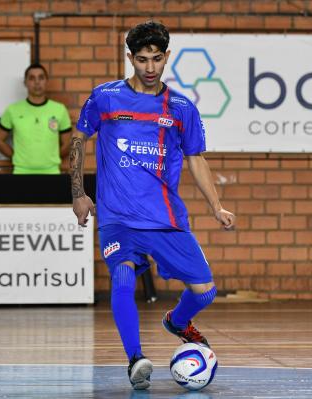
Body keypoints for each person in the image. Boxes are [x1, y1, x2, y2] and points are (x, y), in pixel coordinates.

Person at [69, 21, 235, 390]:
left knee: (204, 290)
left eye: (156, 59)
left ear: (166, 58)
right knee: (123, 276)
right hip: (118, 218)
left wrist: (216, 206)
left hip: (165, 217)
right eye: (141, 59)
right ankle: (135, 359)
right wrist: (78, 193)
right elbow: (78, 140)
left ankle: (177, 322)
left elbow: (196, 159)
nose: (149, 67)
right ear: (130, 58)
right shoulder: (105, 97)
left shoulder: (180, 108)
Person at [0, 63, 72, 174]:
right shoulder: (13, 110)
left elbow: (68, 143)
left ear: (46, 81)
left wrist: (51, 158)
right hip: (21, 172)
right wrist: (17, 157)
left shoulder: (59, 109)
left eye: (41, 77)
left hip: (51, 172)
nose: (37, 82)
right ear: (25, 82)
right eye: (32, 78)